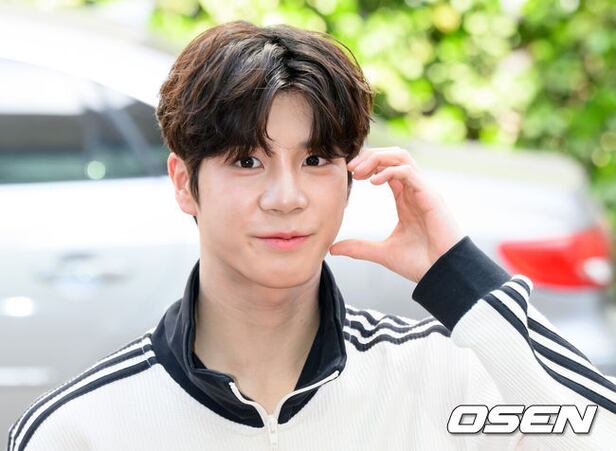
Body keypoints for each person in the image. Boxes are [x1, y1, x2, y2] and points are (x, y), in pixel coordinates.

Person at [7, 20, 616, 451]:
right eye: (247, 160)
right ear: (185, 183)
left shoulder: (441, 379)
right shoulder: (80, 429)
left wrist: (462, 278)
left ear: (351, 179)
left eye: (316, 159)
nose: (286, 196)